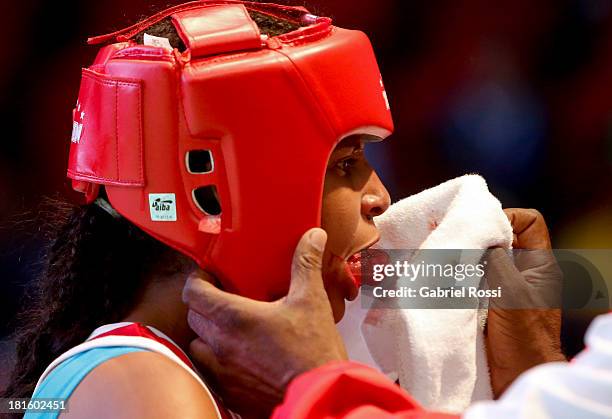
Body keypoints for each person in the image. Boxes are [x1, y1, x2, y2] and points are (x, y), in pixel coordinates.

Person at [184, 227, 611, 419]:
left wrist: (318, 384)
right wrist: (530, 372)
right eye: (345, 163)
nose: (381, 196)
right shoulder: (148, 367)